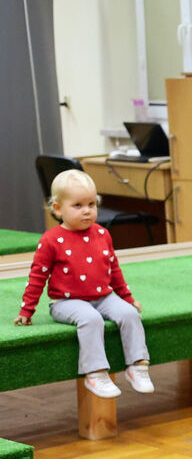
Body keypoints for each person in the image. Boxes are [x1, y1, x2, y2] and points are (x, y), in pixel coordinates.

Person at [14, 169, 154, 398]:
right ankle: (95, 373)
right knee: (90, 319)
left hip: (104, 297)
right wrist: (27, 309)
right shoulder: (51, 240)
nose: (87, 210)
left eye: (91, 203)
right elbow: (38, 276)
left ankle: (137, 366)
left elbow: (114, 270)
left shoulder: (102, 234)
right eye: (78, 205)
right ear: (57, 209)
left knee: (129, 314)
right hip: (66, 301)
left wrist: (128, 299)